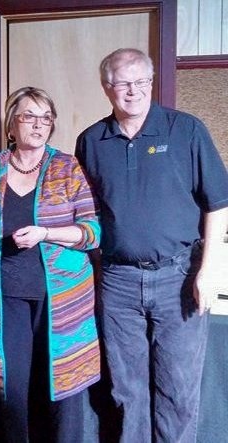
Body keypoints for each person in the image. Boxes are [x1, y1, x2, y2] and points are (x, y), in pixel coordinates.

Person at [75, 48, 228, 442]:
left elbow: (219, 204)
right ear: (107, 88)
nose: (133, 90)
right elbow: (82, 213)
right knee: (126, 391)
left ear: (152, 82)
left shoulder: (186, 130)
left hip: (178, 277)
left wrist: (209, 271)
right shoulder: (91, 141)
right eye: (123, 82)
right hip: (116, 281)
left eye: (141, 81)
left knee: (177, 390)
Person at [0, 87, 101, 442]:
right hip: (4, 295)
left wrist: (46, 233)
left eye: (45, 118)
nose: (38, 125)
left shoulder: (67, 167)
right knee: (13, 389)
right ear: (12, 125)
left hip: (62, 298)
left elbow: (92, 232)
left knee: (62, 391)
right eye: (29, 116)